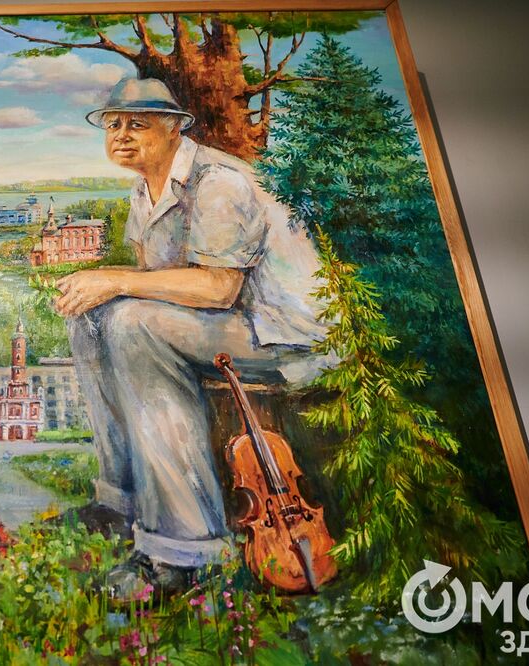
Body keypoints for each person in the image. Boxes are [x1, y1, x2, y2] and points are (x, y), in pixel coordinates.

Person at [54, 77, 332, 597]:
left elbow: (220, 288)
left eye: (137, 124)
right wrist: (110, 290)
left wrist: (115, 280)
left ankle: (185, 549)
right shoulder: (146, 188)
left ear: (174, 129)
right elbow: (160, 285)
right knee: (90, 319)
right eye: (113, 125)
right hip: (234, 325)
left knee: (132, 323)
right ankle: (120, 502)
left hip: (283, 334)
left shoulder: (218, 182)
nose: (121, 135)